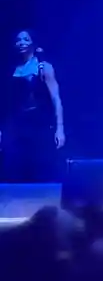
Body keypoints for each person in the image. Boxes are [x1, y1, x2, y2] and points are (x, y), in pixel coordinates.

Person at [1, 31, 66, 182]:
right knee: (15, 167)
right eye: (18, 40)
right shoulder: (12, 70)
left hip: (39, 123)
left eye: (26, 39)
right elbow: (7, 104)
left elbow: (56, 99)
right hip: (18, 123)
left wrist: (60, 128)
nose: (21, 43)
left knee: (40, 166)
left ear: (33, 43)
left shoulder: (43, 67)